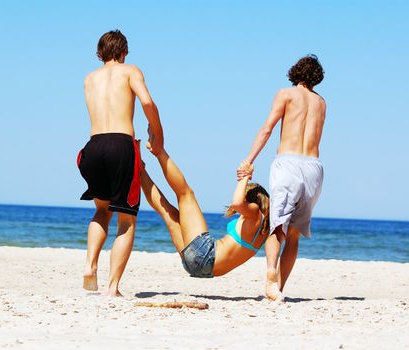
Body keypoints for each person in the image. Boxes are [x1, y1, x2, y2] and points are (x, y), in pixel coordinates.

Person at [77, 30, 164, 296]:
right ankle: (112, 287)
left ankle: (91, 266)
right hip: (120, 145)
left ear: (99, 53)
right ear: (123, 52)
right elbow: (147, 100)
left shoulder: (89, 79)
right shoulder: (130, 71)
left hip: (92, 148)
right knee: (127, 220)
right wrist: (157, 131)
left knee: (101, 211)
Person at [237, 54, 326, 301]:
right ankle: (280, 288)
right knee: (295, 233)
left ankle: (270, 275)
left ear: (295, 72)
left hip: (288, 163)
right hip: (314, 168)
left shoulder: (286, 94)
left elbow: (267, 129)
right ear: (317, 78)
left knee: (278, 226)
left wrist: (249, 159)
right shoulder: (322, 103)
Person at [140, 145, 270, 278]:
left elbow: (237, 203)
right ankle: (139, 169)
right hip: (201, 269)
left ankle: (159, 151)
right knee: (168, 213)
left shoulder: (255, 213)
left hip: (206, 255)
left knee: (185, 194)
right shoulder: (264, 230)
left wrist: (245, 176)